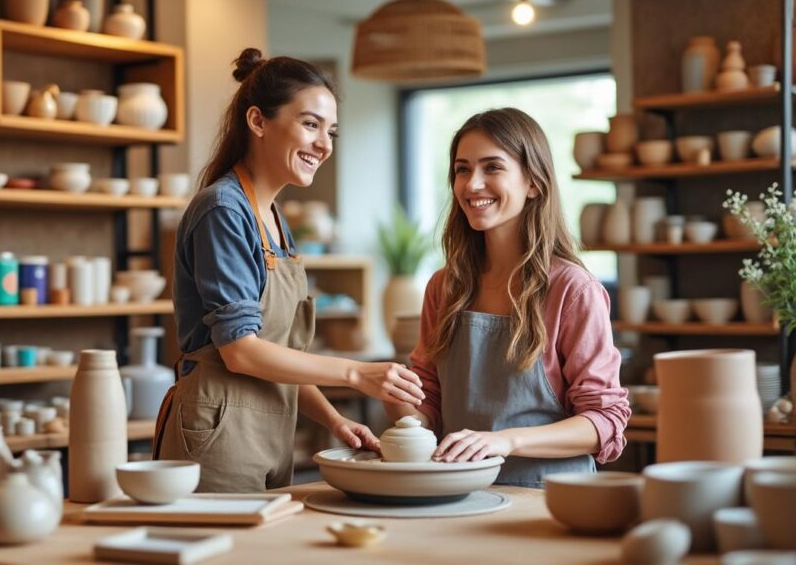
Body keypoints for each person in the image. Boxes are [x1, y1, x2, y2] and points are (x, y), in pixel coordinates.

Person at [154, 48, 425, 493]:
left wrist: (334, 420)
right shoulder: (223, 210)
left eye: (330, 131)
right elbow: (241, 352)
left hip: (268, 435)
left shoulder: (276, 220)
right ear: (258, 121)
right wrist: (357, 373)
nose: (325, 145)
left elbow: (277, 355)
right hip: (218, 430)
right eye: (311, 124)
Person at [385, 108, 631, 488]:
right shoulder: (444, 286)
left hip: (550, 501)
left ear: (533, 182)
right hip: (457, 495)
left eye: (492, 168)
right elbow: (428, 397)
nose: (472, 184)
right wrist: (405, 415)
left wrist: (505, 441)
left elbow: (604, 421)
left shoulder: (572, 290)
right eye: (462, 169)